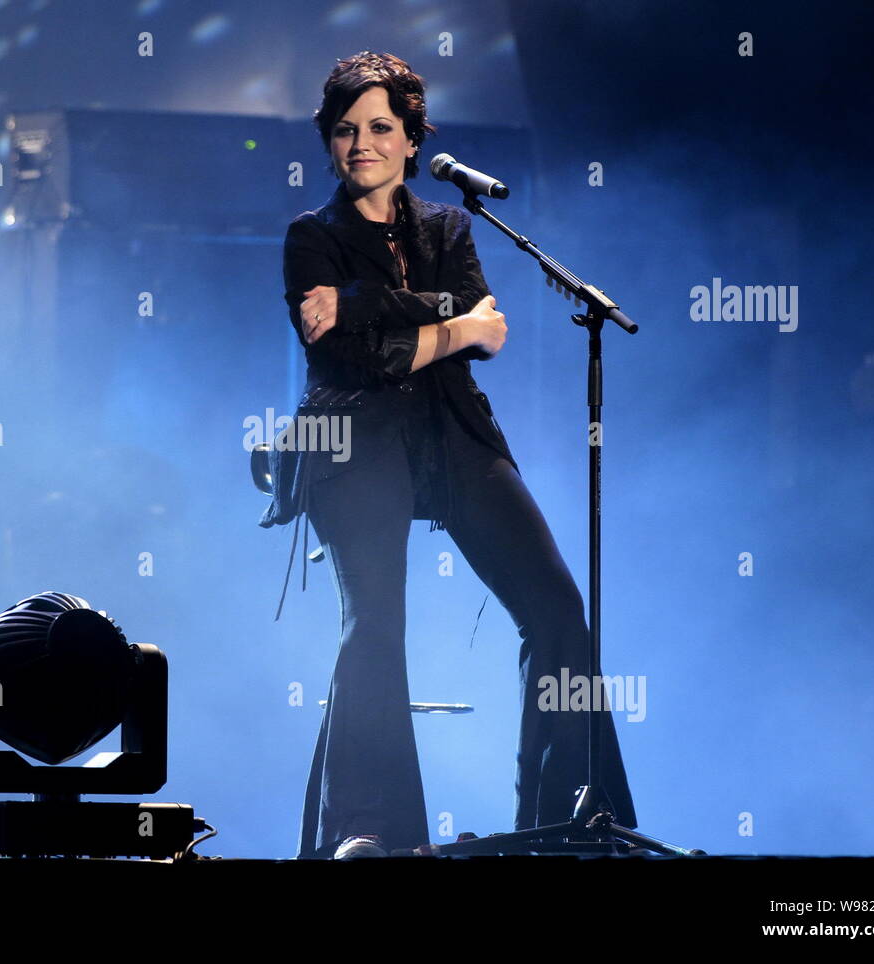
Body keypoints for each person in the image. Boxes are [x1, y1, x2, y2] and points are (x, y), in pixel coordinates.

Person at [262, 51, 638, 860]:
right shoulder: (310, 237)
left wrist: (394, 316)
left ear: (410, 139)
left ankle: (565, 816)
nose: (361, 143)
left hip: (451, 430)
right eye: (345, 130)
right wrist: (450, 325)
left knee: (558, 610)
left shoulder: (452, 225)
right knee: (375, 621)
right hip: (352, 437)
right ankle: (368, 826)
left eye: (380, 128)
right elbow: (349, 354)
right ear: (329, 141)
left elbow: (487, 333)